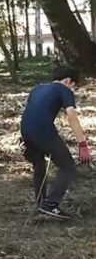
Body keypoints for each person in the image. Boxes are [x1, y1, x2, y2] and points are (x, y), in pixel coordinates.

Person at [20, 65, 90, 219]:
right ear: (68, 81)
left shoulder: (37, 88)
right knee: (67, 166)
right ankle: (51, 204)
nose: (73, 89)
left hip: (25, 128)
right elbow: (71, 115)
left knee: (39, 164)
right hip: (42, 129)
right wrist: (82, 144)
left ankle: (40, 204)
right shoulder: (64, 90)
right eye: (74, 86)